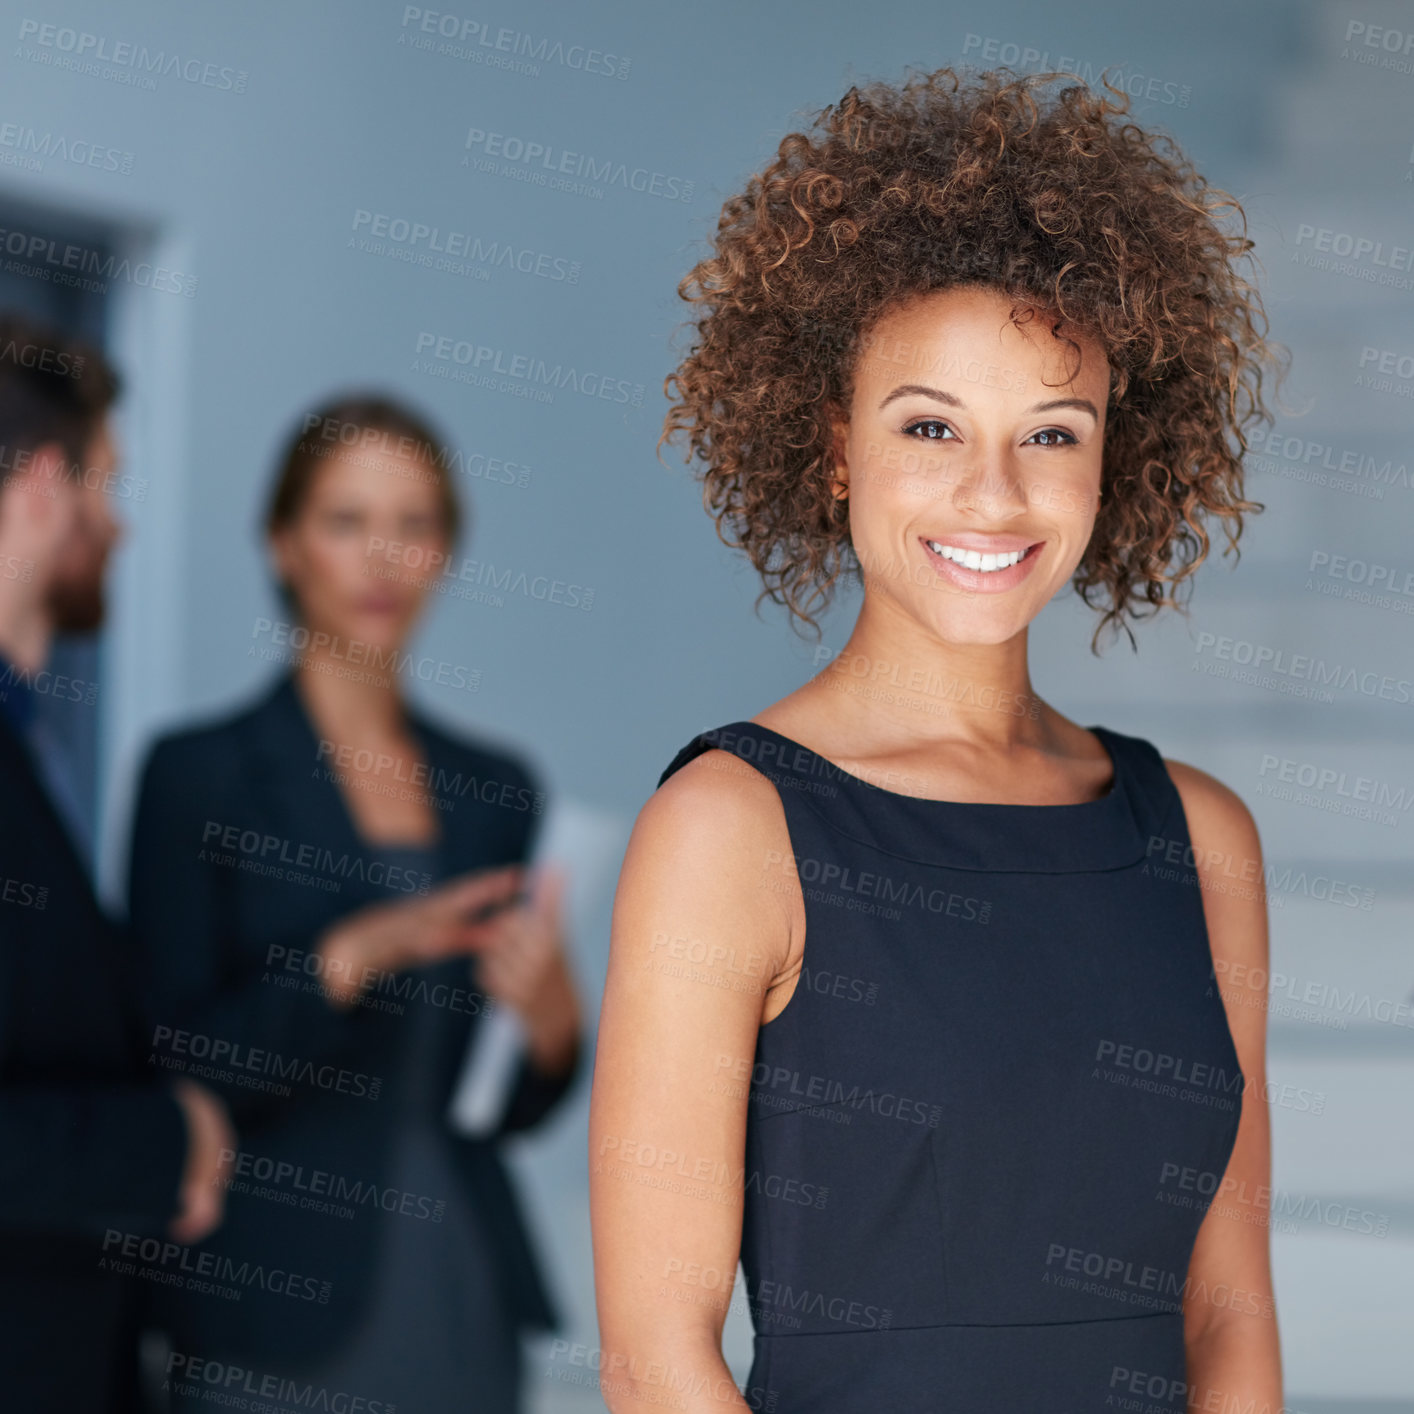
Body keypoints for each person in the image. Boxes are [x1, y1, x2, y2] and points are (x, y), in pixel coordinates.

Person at [591, 70, 1284, 1414]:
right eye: (929, 427)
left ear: (1109, 463)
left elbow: (1228, 1312)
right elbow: (654, 1360)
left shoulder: (1199, 837)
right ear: (831, 444)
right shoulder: (728, 828)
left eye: (1050, 434)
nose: (994, 492)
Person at [126, 393, 582, 1412]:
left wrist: (553, 1033)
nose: (383, 556)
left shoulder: (494, 787)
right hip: (270, 1297)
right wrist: (343, 961)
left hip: (460, 1287)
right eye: (347, 520)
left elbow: (494, 1098)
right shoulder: (198, 775)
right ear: (284, 543)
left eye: (414, 523)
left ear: (448, 551)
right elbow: (172, 1063)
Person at [0, 312, 234, 1412]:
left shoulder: (31, 742)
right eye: (108, 483)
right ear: (46, 482)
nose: (121, 526)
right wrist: (159, 1144)